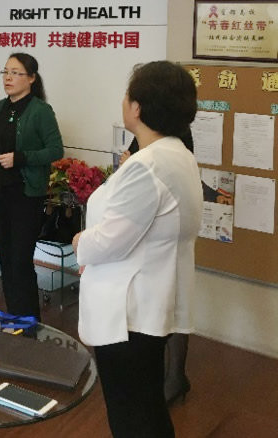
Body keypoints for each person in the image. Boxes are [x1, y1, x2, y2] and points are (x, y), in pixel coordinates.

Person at [72, 61, 203, 438]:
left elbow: (111, 239)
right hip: (147, 303)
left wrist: (81, 242)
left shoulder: (147, 166)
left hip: (128, 313)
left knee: (131, 415)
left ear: (137, 107)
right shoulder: (177, 155)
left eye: (127, 95)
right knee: (147, 409)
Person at [0, 53, 63, 322]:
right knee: (5, 259)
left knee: (21, 261)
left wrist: (21, 158)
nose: (8, 78)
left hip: (25, 195)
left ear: (31, 78)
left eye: (16, 73)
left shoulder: (40, 111)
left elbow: (55, 150)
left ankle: (29, 321)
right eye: (6, 72)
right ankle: (14, 316)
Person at [119, 130, 194, 406]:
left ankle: (174, 377)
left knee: (173, 305)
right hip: (150, 228)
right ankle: (166, 377)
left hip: (166, 229)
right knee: (162, 305)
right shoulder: (146, 132)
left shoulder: (174, 135)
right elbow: (131, 160)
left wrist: (131, 163)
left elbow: (153, 170)